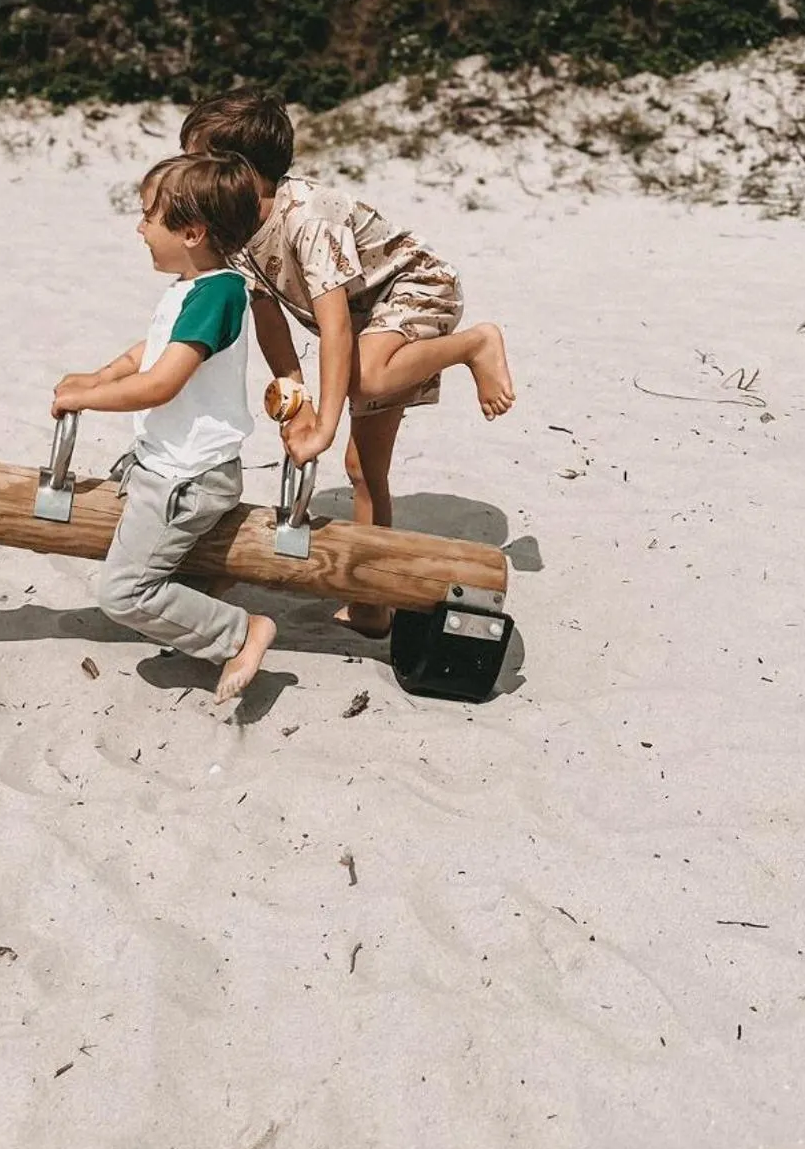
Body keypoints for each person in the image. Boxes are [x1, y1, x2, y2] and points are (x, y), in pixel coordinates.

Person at [179, 91, 514, 636]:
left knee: (364, 376)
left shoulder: (308, 215)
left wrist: (327, 427)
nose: (189, 174)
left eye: (198, 160)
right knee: (364, 470)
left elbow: (333, 324)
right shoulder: (234, 227)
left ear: (239, 170)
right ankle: (372, 601)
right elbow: (267, 312)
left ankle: (475, 345)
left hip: (416, 288)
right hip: (366, 328)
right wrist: (296, 396)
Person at [52, 152, 278, 705]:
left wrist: (88, 397)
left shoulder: (219, 292)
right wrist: (102, 373)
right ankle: (203, 586)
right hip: (171, 464)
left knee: (123, 594)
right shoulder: (191, 285)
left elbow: (161, 383)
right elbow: (151, 349)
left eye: (150, 217)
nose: (140, 228)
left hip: (188, 478)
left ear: (193, 231)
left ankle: (241, 632)